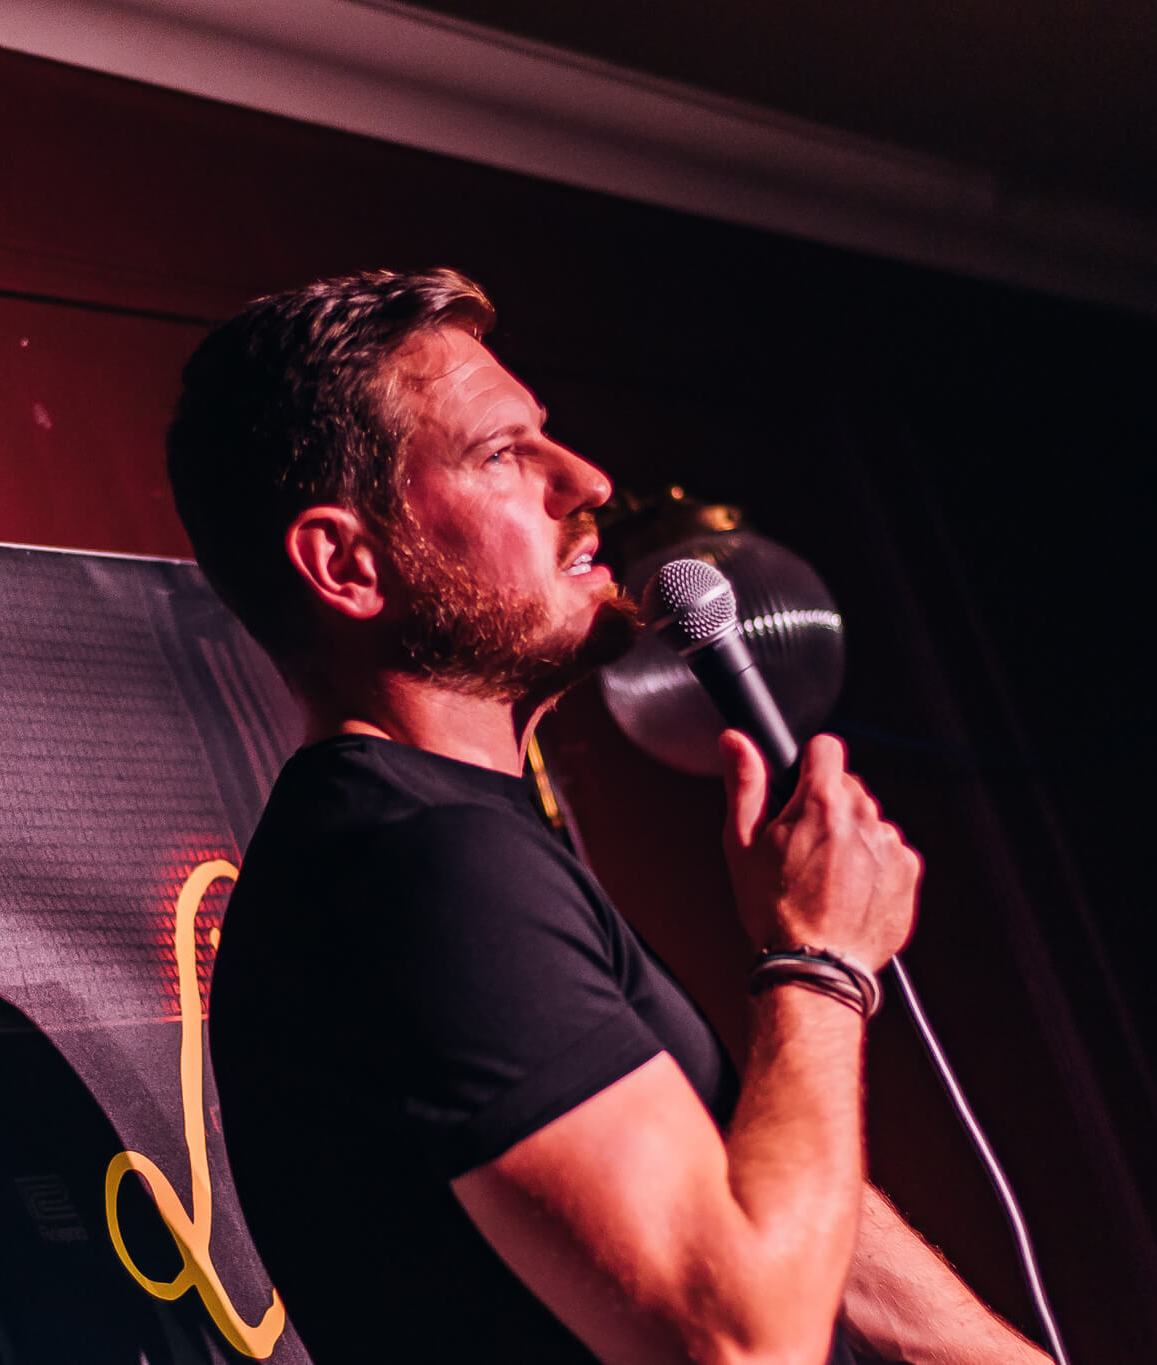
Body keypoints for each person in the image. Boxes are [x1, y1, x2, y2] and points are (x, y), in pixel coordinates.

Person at [165, 268, 1050, 1365]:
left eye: (549, 438)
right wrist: (818, 962)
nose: (585, 480)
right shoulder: (418, 869)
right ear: (347, 565)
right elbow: (737, 1341)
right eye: (502, 455)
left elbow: (741, 1186)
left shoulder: (451, 839)